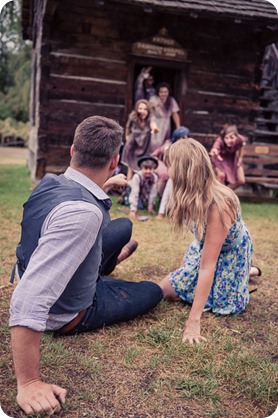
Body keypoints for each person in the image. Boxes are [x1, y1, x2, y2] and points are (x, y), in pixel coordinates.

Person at [9, 116, 163, 416]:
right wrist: (28, 383)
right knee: (152, 292)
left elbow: (75, 195)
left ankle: (104, 263)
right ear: (115, 160)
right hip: (69, 310)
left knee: (123, 227)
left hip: (45, 264)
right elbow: (28, 299)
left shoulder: (50, 182)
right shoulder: (84, 214)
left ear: (72, 151)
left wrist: (104, 184)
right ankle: (105, 272)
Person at [159, 138, 261, 345]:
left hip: (229, 253)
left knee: (224, 306)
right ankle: (249, 271)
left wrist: (193, 321)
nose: (167, 171)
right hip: (207, 248)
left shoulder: (219, 205)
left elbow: (207, 266)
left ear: (183, 171)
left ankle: (245, 270)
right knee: (166, 290)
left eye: (169, 165)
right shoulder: (191, 195)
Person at [153, 126, 191, 214]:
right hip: (160, 162)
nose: (185, 139)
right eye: (182, 137)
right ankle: (161, 207)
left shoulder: (186, 147)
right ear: (176, 137)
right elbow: (168, 159)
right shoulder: (169, 146)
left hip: (175, 168)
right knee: (167, 176)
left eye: (187, 137)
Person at [121, 99, 159, 180]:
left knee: (141, 168)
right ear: (137, 109)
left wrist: (155, 128)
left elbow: (153, 124)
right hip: (133, 145)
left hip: (144, 146)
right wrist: (127, 137)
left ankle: (140, 186)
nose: (142, 111)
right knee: (130, 169)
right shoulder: (133, 117)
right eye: (140, 108)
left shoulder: (150, 118)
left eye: (145, 109)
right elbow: (128, 127)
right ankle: (128, 188)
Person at [209, 124, 246, 189]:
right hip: (220, 159)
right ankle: (219, 195)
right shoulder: (220, 141)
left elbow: (241, 146)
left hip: (232, 159)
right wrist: (214, 152)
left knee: (241, 180)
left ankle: (227, 193)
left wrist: (240, 157)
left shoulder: (240, 139)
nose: (229, 140)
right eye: (226, 138)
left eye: (232, 137)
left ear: (236, 137)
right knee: (221, 177)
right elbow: (214, 148)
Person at [148, 82, 180, 153]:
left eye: (165, 92)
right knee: (154, 142)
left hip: (166, 124)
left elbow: (175, 114)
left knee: (165, 143)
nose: (163, 94)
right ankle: (153, 159)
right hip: (155, 122)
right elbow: (149, 110)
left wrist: (178, 127)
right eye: (161, 92)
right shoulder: (153, 99)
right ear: (158, 92)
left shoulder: (171, 101)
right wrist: (153, 105)